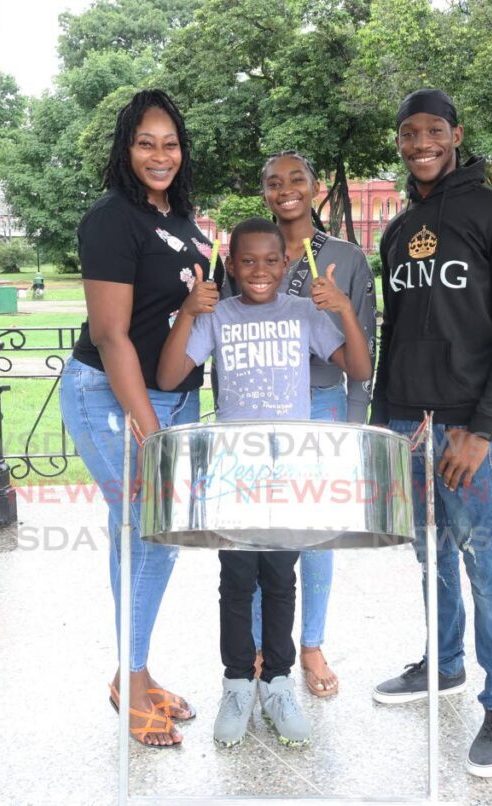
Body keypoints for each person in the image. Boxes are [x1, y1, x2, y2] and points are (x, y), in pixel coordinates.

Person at [369, 89, 492, 778]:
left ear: (456, 135)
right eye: (409, 133)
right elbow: (396, 334)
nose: (420, 144)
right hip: (407, 427)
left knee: (484, 566)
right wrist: (381, 430)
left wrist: (481, 427)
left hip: (469, 429)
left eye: (433, 131)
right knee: (429, 558)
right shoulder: (393, 231)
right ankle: (443, 667)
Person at [157, 217, 372, 748]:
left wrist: (343, 308)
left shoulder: (304, 313)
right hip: (235, 472)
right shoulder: (218, 315)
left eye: (270, 261)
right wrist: (188, 312)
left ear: (285, 265)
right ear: (231, 266)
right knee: (236, 579)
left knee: (280, 578)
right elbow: (167, 376)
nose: (259, 270)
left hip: (289, 472)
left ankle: (277, 683)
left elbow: (360, 369)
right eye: (246, 261)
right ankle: (236, 682)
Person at [58, 89, 220, 748]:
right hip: (113, 400)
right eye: (147, 142)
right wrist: (149, 432)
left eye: (171, 143)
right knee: (147, 528)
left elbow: (186, 316)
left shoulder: (182, 220)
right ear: (127, 149)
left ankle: (138, 671)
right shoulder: (112, 218)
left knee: (149, 533)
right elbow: (112, 335)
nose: (161, 155)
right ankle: (132, 678)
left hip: (174, 399)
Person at [220, 151, 377, 698]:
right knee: (258, 532)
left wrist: (354, 430)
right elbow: (225, 336)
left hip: (325, 403)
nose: (285, 189)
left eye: (296, 180)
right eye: (273, 182)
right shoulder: (250, 250)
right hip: (257, 413)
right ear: (264, 192)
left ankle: (310, 642)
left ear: (315, 189)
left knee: (314, 537)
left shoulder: (346, 257)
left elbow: (364, 345)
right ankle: (265, 644)